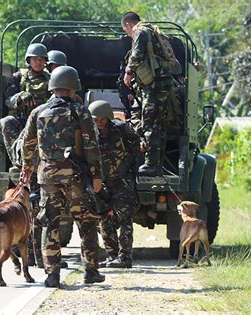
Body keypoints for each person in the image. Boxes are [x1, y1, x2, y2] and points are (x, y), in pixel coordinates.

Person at [20, 66, 105, 287]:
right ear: (73, 87)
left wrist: (27, 169)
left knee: (50, 222)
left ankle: (52, 274)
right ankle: (91, 271)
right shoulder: (80, 111)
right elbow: (91, 146)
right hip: (74, 177)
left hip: (47, 177)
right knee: (86, 222)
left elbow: (27, 145)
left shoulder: (38, 112)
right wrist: (97, 175)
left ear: (52, 87)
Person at [122, 11, 178, 176]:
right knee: (158, 124)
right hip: (163, 83)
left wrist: (128, 72)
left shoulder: (140, 31)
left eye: (126, 31)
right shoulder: (152, 30)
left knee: (149, 122)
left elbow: (137, 54)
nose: (127, 34)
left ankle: (151, 164)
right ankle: (157, 164)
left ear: (128, 25)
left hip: (154, 86)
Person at [88, 100, 142, 268]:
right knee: (104, 218)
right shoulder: (89, 133)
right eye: (95, 120)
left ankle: (125, 257)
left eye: (102, 119)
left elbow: (136, 144)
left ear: (108, 117)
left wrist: (131, 164)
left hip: (122, 181)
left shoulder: (120, 129)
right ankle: (112, 256)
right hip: (101, 182)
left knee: (125, 217)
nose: (99, 123)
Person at [0, 43, 51, 171]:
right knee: (6, 122)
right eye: (35, 59)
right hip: (22, 122)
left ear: (45, 61)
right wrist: (20, 96)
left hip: (43, 123)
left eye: (41, 59)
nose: (38, 62)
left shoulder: (51, 79)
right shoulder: (18, 77)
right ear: (28, 60)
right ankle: (18, 162)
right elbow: (8, 100)